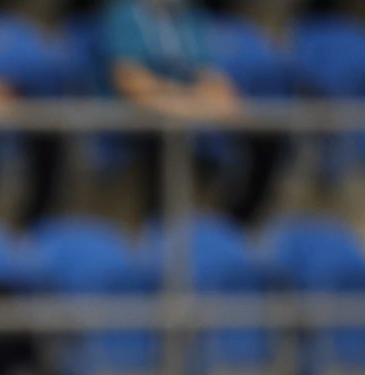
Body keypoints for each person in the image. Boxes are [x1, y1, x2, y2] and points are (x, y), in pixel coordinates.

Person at [101, 0, 281, 223]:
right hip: (138, 116)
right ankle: (160, 230)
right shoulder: (124, 15)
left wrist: (208, 104)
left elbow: (213, 79)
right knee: (164, 138)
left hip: (188, 109)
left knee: (266, 138)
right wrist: (185, 100)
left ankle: (235, 225)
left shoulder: (192, 16)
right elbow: (131, 81)